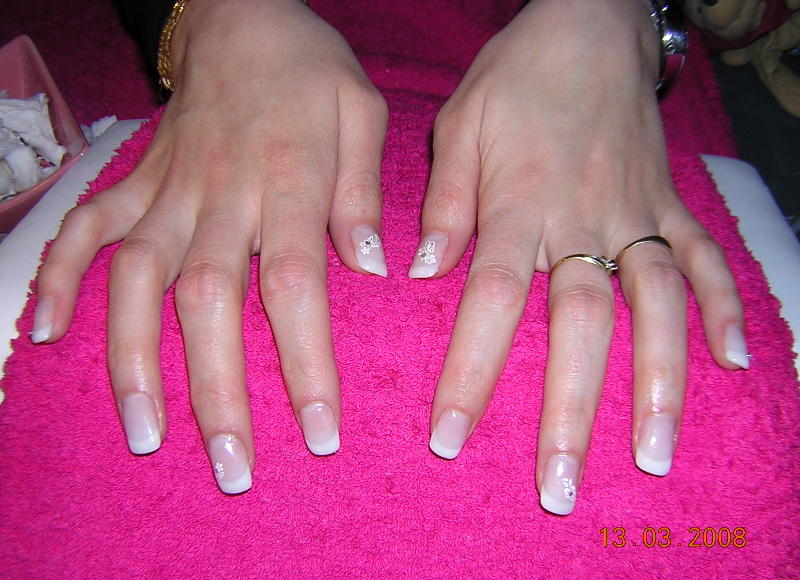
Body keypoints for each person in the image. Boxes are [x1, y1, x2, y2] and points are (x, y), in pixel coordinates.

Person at [31, 0, 747, 515]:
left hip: (601, 91)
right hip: (223, 69)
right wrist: (215, 19)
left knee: (717, 441)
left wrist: (611, 21)